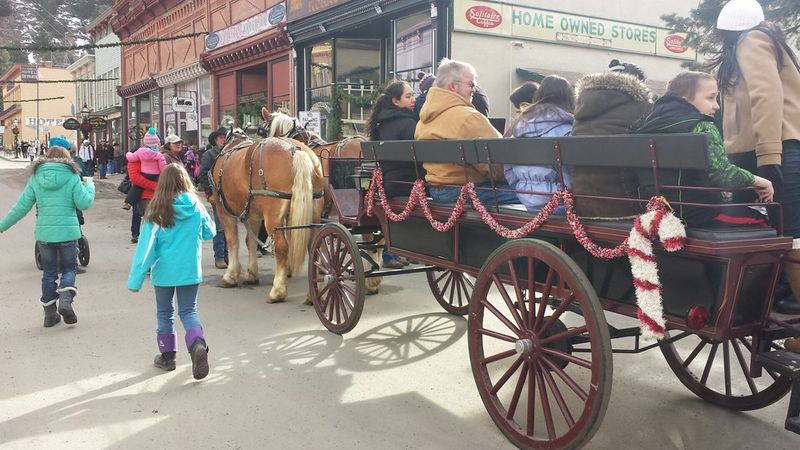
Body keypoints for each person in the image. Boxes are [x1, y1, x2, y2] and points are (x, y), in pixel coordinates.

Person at [712, 0, 800, 345]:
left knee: (788, 232)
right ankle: (773, 303)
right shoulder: (766, 41)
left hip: (772, 149)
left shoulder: (751, 40)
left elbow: (766, 95)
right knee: (781, 230)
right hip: (774, 147)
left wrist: (768, 155)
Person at [635, 71, 773, 227]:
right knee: (764, 220)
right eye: (710, 98)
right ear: (685, 100)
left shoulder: (647, 128)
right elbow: (722, 174)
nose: (717, 105)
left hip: (656, 214)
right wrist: (758, 181)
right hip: (701, 214)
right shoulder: (702, 126)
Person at [127, 163, 216, 379]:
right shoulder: (195, 206)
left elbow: (147, 249)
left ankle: (167, 357)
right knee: (189, 311)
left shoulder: (157, 209)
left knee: (165, 313)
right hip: (190, 269)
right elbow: (210, 232)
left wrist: (135, 279)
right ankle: (197, 344)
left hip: (164, 272)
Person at [0, 139, 95, 327]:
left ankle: (50, 315)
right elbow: (84, 203)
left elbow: (20, 207)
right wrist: (90, 187)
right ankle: (65, 299)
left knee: (49, 273)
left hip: (44, 235)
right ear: (67, 158)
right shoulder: (72, 176)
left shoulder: (36, 178)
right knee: (69, 269)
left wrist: (2, 226)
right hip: (68, 233)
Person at [415, 58, 516, 205]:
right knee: (538, 195)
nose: (474, 89)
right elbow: (498, 163)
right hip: (466, 190)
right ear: (453, 86)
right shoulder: (468, 117)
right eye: (471, 84)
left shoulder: (423, 120)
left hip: (436, 190)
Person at [570, 62, 653, 218]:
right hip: (626, 206)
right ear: (638, 83)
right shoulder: (644, 109)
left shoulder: (580, 111)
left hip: (582, 204)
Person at [364, 80, 422, 269]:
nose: (413, 99)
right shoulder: (410, 124)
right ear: (396, 101)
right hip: (409, 183)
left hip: (389, 182)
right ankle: (402, 250)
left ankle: (394, 252)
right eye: (408, 96)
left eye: (413, 95)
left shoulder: (380, 124)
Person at [504, 75, 575, 212]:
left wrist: (521, 189)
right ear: (569, 99)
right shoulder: (568, 131)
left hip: (527, 200)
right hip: (561, 203)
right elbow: (573, 175)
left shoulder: (519, 128)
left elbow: (508, 170)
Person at [199, 128, 229, 269]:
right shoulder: (209, 154)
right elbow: (203, 173)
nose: (224, 140)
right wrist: (209, 192)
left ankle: (227, 255)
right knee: (220, 226)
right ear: (215, 140)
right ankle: (219, 257)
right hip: (216, 193)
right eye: (221, 137)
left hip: (229, 194)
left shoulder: (229, 153)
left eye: (225, 137)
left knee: (229, 226)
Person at [124, 128, 165, 210]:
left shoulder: (140, 152)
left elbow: (131, 158)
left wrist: (128, 154)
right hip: (156, 176)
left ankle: (128, 203)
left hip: (145, 173)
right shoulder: (158, 154)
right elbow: (163, 166)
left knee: (136, 187)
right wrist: (164, 174)